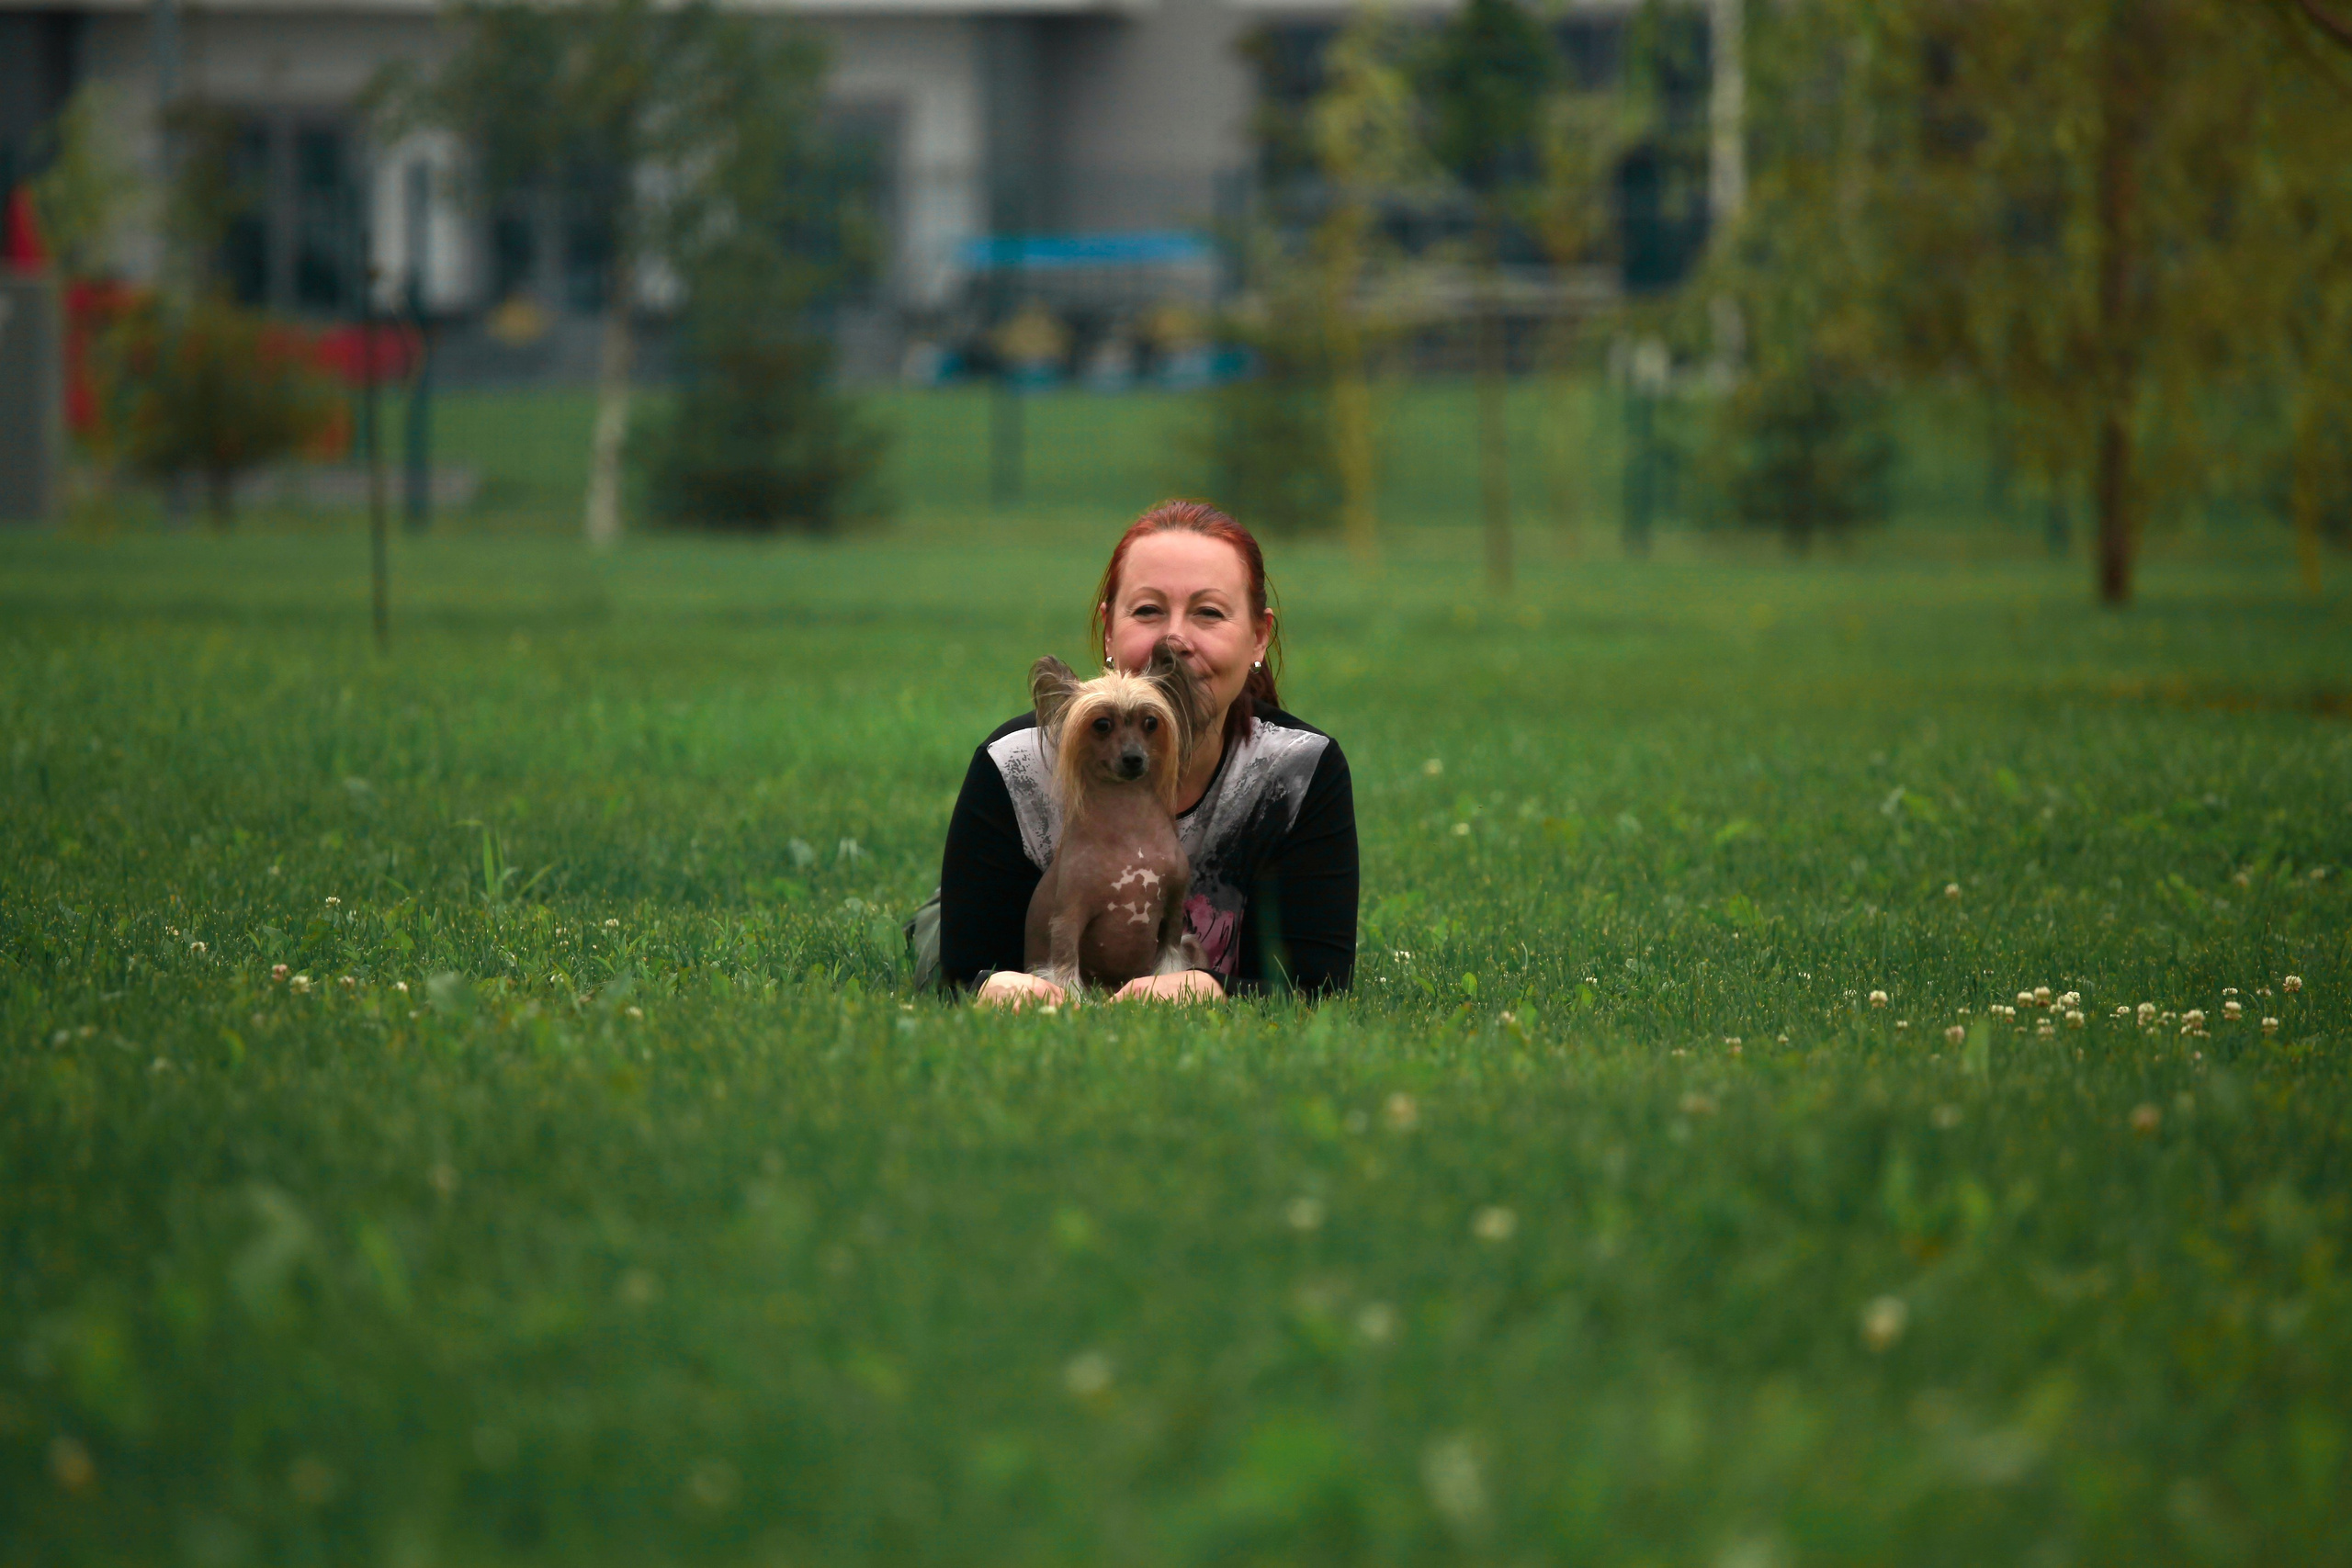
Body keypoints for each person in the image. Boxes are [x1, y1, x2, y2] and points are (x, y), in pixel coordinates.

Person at [933, 499, 1357, 1007]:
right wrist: (994, 987)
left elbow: (1317, 989)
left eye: (1209, 612)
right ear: (1109, 629)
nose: (1175, 640)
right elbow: (961, 975)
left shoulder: (1297, 772)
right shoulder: (1017, 766)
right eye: (1149, 611)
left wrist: (1211, 991)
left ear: (1258, 638)